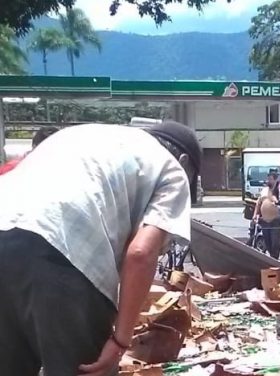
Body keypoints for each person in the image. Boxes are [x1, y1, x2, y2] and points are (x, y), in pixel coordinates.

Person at [0, 121, 200, 376]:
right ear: (184, 161)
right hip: (60, 254)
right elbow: (141, 254)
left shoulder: (89, 136)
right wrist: (120, 340)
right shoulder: (171, 169)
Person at [252, 171, 280, 259]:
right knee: (267, 242)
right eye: (267, 179)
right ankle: (271, 258)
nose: (268, 181)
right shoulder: (264, 190)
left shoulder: (279, 190)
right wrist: (255, 214)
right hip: (264, 220)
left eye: (270, 179)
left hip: (275, 220)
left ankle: (275, 260)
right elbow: (259, 203)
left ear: (276, 180)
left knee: (275, 243)